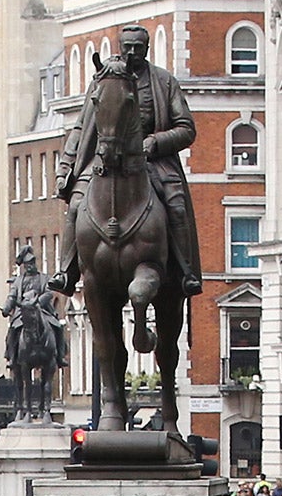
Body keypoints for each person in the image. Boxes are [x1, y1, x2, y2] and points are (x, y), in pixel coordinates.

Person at [54, 25, 202, 298]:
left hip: (152, 161)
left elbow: (186, 128)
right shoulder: (104, 80)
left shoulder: (164, 82)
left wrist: (155, 142)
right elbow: (81, 128)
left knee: (175, 204)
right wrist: (66, 167)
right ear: (120, 48)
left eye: (138, 47)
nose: (132, 52)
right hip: (105, 161)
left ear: (147, 49)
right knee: (76, 204)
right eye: (127, 47)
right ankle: (66, 271)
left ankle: (186, 271)